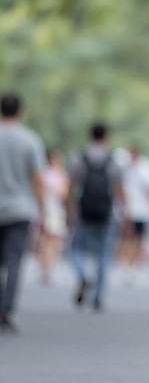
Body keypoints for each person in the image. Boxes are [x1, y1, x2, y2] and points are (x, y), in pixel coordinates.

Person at [0, 93, 46, 333]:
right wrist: (43, 209)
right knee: (15, 262)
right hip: (19, 210)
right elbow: (38, 180)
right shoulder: (29, 140)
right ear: (20, 111)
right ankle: (7, 310)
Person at [68, 123, 124, 311]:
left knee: (77, 248)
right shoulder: (112, 159)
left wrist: (69, 209)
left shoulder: (80, 158)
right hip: (105, 212)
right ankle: (99, 296)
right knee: (104, 253)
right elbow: (119, 189)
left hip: (84, 211)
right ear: (106, 136)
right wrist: (125, 211)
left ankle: (83, 274)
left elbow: (71, 186)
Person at [122, 145, 149, 281]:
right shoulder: (125, 168)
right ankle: (128, 265)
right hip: (128, 211)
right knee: (128, 238)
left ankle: (134, 265)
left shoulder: (146, 168)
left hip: (142, 211)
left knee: (138, 239)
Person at [38, 148, 69, 285]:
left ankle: (47, 268)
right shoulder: (56, 174)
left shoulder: (47, 174)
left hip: (52, 210)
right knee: (49, 241)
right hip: (50, 210)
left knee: (51, 241)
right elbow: (64, 194)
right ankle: (46, 269)